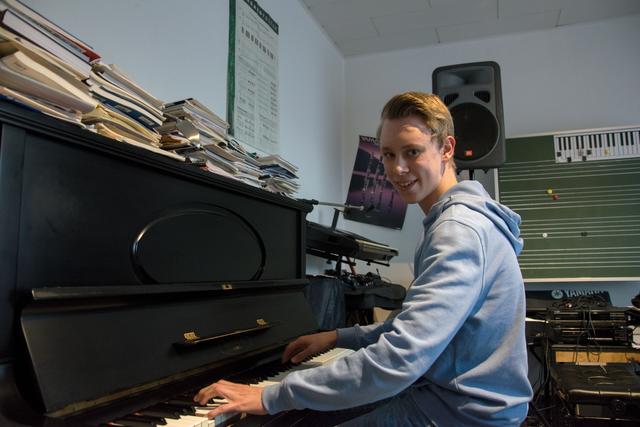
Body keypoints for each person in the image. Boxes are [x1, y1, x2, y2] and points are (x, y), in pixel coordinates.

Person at [194, 92, 533, 426]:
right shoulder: (453, 221)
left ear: (446, 148)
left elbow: (400, 357)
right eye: (388, 154)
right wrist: (339, 338)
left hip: (465, 413)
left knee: (299, 410)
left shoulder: (456, 231)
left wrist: (272, 395)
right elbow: (405, 329)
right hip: (445, 394)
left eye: (412, 152)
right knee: (311, 413)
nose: (397, 169)